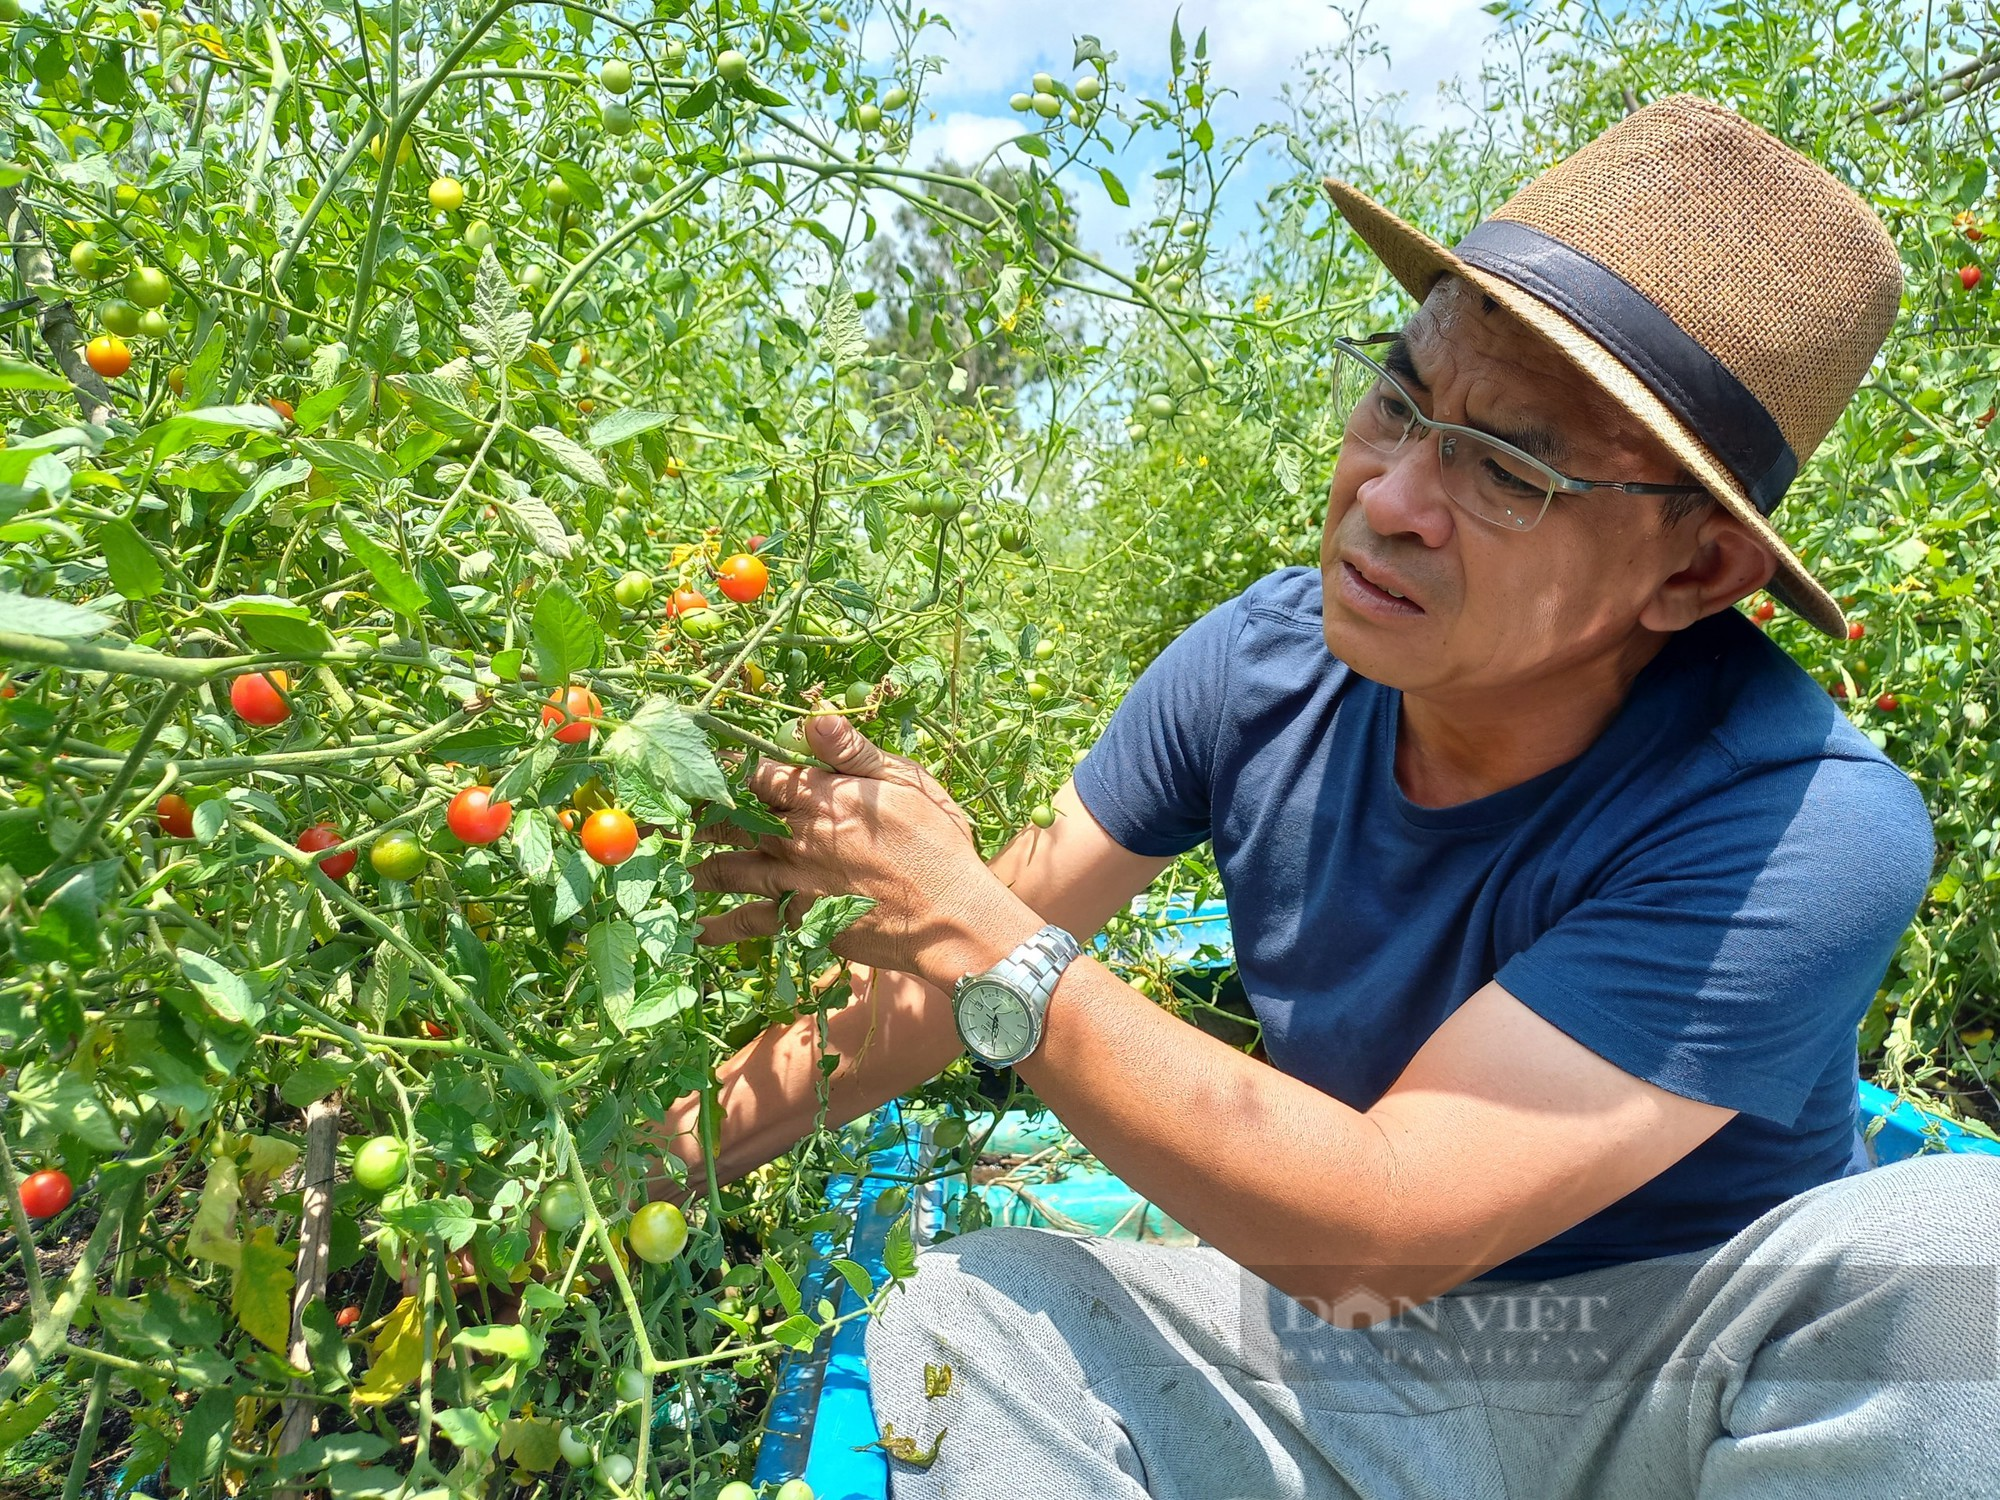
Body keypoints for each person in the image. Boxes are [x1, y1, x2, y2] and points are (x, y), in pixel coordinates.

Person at [648, 95, 2000, 1497]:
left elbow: (1380, 1226)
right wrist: (642, 1163)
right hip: (1356, 1376)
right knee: (968, 1323)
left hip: (1673, 1391)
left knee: (1968, 1270)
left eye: (1508, 466)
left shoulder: (1805, 822)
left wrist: (983, 935)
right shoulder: (1259, 665)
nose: (1392, 493)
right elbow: (943, 975)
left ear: (1697, 573)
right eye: (1401, 402)